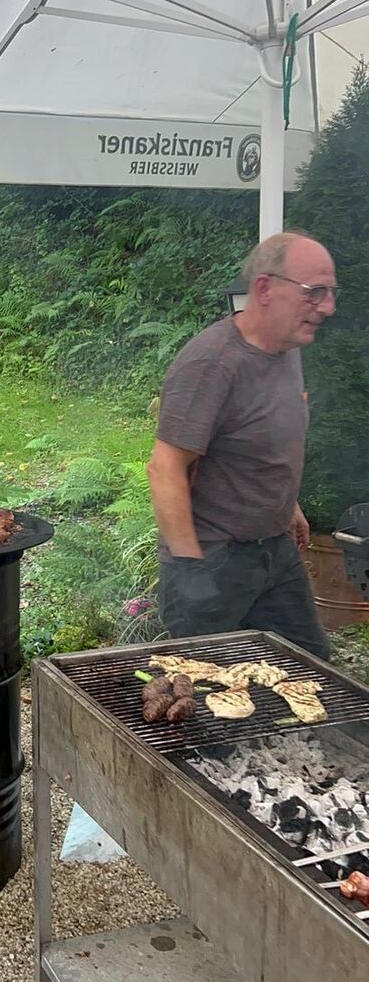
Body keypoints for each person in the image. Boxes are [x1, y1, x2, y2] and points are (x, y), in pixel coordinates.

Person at [147, 230, 337, 660]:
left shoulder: (287, 346)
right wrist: (190, 567)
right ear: (265, 289)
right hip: (213, 557)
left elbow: (259, 440)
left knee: (311, 674)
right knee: (206, 691)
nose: (328, 306)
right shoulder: (212, 363)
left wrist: (289, 506)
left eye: (330, 293)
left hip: (274, 553)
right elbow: (164, 468)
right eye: (315, 292)